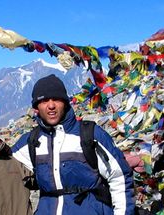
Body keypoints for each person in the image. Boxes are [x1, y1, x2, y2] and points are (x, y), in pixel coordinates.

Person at [11, 74, 135, 215]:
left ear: (65, 102)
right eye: (44, 101)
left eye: (56, 99)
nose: (51, 106)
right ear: (36, 107)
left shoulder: (89, 135)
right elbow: (3, 170)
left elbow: (119, 177)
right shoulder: (30, 142)